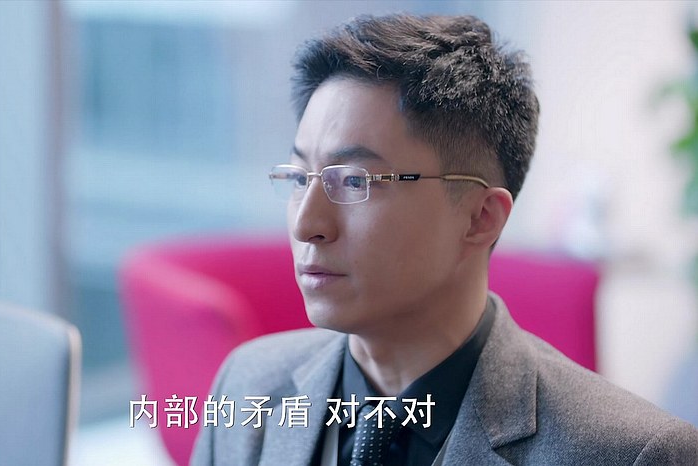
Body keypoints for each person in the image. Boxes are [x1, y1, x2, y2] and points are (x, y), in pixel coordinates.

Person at [191, 13, 698, 465]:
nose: (307, 225)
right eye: (301, 177)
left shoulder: (628, 453)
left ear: (480, 218)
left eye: (355, 181)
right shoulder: (249, 385)